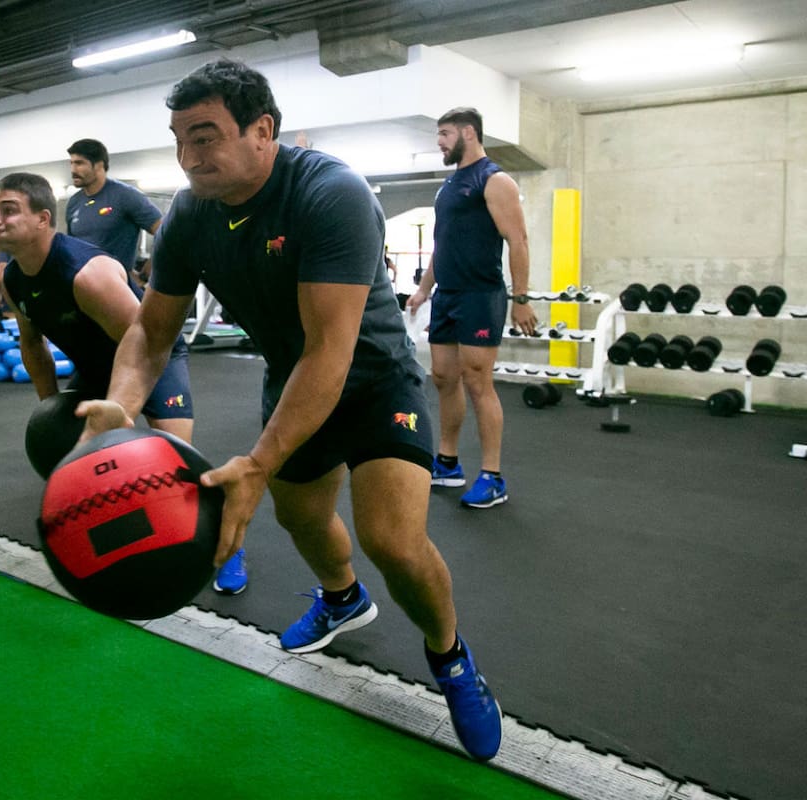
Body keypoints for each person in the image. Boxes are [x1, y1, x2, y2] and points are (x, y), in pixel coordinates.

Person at [78, 59, 502, 761]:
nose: (190, 156)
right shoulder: (188, 214)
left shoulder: (329, 192)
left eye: (206, 136)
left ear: (262, 130)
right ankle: (341, 597)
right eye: (181, 139)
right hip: (291, 377)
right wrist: (121, 409)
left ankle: (450, 655)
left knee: (392, 540)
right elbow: (151, 332)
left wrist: (257, 460)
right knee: (302, 517)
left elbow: (331, 352)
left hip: (371, 381)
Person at [0, 171, 247, 595]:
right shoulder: (13, 280)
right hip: (94, 364)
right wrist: (52, 414)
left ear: (43, 219)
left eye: (9, 209)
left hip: (155, 354)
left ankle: (230, 545)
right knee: (85, 460)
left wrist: (121, 409)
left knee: (179, 466)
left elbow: (147, 341)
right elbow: (32, 346)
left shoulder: (86, 273)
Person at [406, 108, 536, 509]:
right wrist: (424, 290)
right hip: (447, 295)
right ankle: (447, 462)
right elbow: (441, 245)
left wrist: (521, 298)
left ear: (468, 133)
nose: (439, 142)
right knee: (444, 377)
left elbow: (518, 240)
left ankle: (493, 476)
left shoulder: (494, 180)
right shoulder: (448, 187)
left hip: (480, 295)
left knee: (478, 381)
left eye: (444, 134)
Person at [65, 138, 162, 272]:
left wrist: (149, 269)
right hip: (81, 282)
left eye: (79, 163)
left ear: (99, 165)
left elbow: (164, 232)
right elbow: (71, 246)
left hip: (116, 284)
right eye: (71, 163)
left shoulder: (125, 195)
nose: (73, 170)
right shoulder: (74, 202)